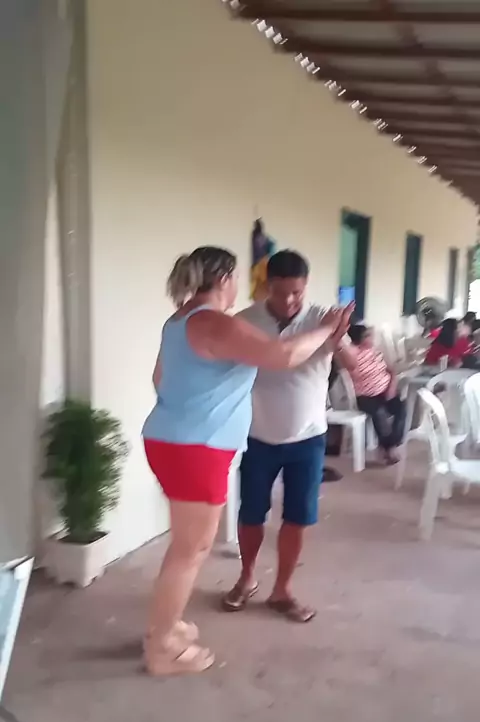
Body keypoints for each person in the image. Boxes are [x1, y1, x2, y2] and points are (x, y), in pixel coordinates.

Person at [142, 246, 350, 675]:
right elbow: (283, 356)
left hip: (168, 439)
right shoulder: (215, 322)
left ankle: (167, 626)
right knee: (191, 550)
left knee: (185, 545)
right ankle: (161, 648)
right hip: (197, 449)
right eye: (236, 277)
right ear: (224, 278)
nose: (238, 286)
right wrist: (326, 328)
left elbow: (159, 379)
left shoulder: (179, 320)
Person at [222, 250, 354, 622]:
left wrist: (339, 337)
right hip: (257, 435)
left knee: (298, 516)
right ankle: (247, 578)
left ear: (306, 286)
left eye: (297, 292)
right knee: (251, 513)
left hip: (308, 437)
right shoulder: (246, 320)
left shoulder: (323, 319)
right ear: (267, 286)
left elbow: (353, 365)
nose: (289, 300)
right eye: (280, 292)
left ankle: (282, 590)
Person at [339, 323, 406, 465]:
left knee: (401, 408)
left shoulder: (374, 351)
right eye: (368, 336)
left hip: (386, 391)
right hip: (365, 396)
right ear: (359, 339)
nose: (372, 338)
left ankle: (391, 444)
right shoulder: (351, 354)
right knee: (379, 412)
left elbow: (391, 370)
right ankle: (390, 448)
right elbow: (344, 363)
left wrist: (392, 387)